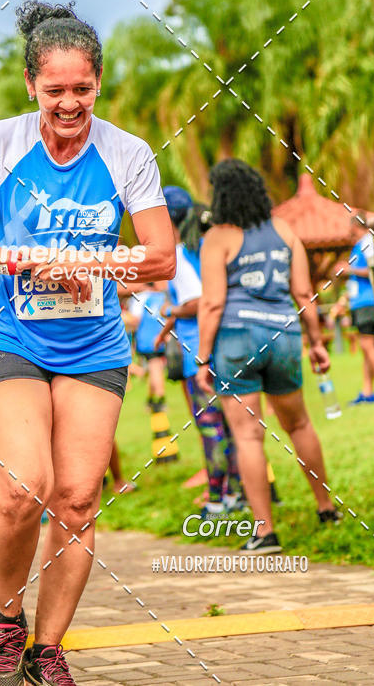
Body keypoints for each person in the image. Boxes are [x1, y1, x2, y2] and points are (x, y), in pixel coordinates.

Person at [0, 0, 176, 686]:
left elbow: (160, 254)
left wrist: (92, 263)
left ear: (99, 83)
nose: (70, 103)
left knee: (75, 499)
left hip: (94, 346)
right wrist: (24, 260)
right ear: (31, 85)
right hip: (13, 336)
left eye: (83, 89)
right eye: (55, 89)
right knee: (20, 488)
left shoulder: (127, 153)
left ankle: (48, 651)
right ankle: (7, 624)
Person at [196, 159, 342, 554]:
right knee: (299, 425)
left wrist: (203, 358)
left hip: (236, 338)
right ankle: (327, 507)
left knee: (247, 435)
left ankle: (265, 532)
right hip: (284, 335)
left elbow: (212, 303)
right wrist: (316, 342)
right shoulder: (284, 230)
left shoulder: (217, 238)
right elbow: (303, 294)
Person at [156, 189, 241, 518]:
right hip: (226, 347)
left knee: (210, 429)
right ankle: (236, 494)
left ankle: (217, 501)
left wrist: (171, 309)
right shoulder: (210, 246)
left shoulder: (180, 254)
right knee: (232, 427)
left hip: (198, 355)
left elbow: (196, 302)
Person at [337, 222, 374, 404]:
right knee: (367, 348)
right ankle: (367, 393)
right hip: (360, 302)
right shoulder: (360, 245)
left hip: (368, 303)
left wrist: (349, 269)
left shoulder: (368, 242)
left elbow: (372, 270)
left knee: (368, 347)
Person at [128, 282, 168, 412]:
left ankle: (160, 400)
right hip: (162, 336)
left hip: (147, 338)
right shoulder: (162, 297)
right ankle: (151, 400)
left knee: (155, 367)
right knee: (155, 368)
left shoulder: (140, 297)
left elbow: (135, 319)